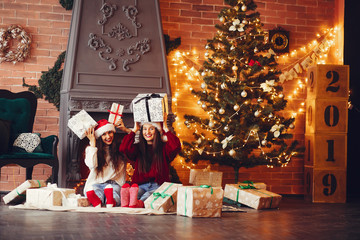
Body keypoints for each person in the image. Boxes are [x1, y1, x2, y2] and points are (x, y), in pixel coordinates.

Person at [119, 114, 181, 208]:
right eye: (144, 129)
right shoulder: (138, 147)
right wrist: (134, 130)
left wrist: (164, 128)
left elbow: (175, 146)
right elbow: (124, 148)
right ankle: (128, 200)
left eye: (151, 128)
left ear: (156, 130)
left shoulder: (164, 148)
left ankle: (136, 203)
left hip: (157, 185)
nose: (147, 132)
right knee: (136, 194)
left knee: (147, 197)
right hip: (140, 185)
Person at [83, 118, 131, 208]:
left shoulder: (120, 148)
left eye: (110, 132)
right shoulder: (91, 149)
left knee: (115, 192)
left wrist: (126, 130)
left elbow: (136, 142)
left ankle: (111, 201)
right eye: (104, 134)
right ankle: (97, 201)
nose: (108, 137)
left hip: (114, 184)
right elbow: (92, 165)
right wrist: (93, 143)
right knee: (95, 191)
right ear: (99, 136)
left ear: (113, 132)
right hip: (96, 183)